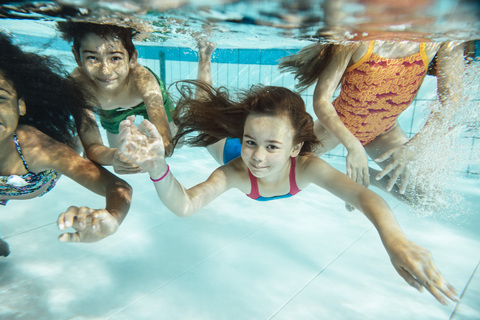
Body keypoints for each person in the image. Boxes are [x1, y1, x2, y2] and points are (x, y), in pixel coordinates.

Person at [117, 41, 457, 304]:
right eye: (252, 141)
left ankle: (213, 71)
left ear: (295, 148)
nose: (258, 159)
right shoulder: (237, 168)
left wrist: (394, 239)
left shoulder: (307, 167)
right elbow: (186, 205)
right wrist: (158, 168)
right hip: (226, 147)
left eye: (272, 147)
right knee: (206, 114)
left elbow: (364, 196)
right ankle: (205, 58)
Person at [278, 40, 466, 199]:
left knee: (419, 197)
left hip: (384, 131)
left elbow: (451, 104)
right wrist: (353, 146)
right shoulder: (357, 38)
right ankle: (338, 181)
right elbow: (321, 100)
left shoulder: (444, 40)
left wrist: (412, 149)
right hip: (338, 125)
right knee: (284, 170)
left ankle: (363, 176)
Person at [0, 33, 132, 255]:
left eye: (0, 98)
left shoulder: (36, 148)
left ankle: (81, 97)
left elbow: (118, 187)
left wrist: (112, 218)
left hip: (49, 163)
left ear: (20, 106)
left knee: (78, 117)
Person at [57, 20, 176, 174]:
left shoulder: (144, 82)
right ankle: (135, 131)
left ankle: (140, 130)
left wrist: (151, 153)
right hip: (109, 111)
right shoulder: (77, 86)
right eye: (92, 58)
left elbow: (166, 144)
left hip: (144, 100)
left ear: (132, 58)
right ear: (77, 57)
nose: (105, 71)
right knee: (116, 148)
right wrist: (114, 156)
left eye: (115, 58)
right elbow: (92, 148)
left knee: (176, 142)